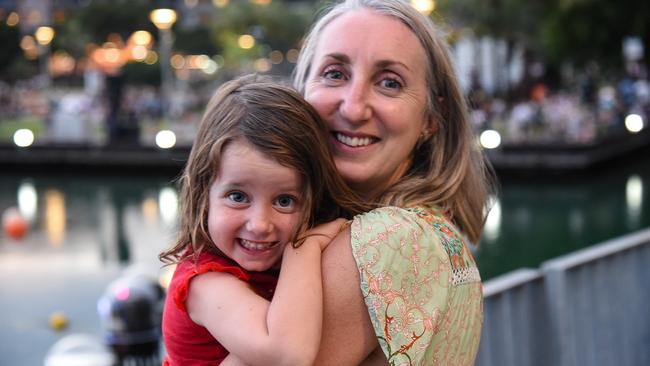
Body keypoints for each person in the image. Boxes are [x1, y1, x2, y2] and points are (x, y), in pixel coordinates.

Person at [292, 0, 495, 364]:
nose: (354, 108)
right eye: (335, 74)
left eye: (389, 83)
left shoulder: (383, 242)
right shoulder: (433, 231)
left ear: (433, 117)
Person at [159, 75, 369, 366]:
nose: (259, 224)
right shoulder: (203, 282)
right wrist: (304, 250)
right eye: (237, 196)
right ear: (203, 191)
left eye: (285, 201)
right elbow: (286, 355)